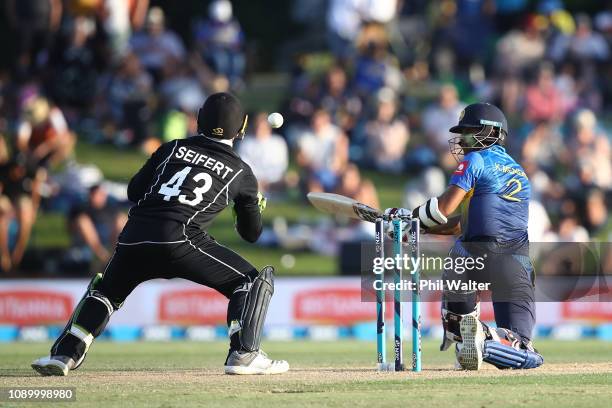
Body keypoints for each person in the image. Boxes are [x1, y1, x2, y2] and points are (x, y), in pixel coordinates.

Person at [32, 93, 289, 376]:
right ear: (241, 128)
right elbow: (251, 234)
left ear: (200, 120)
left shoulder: (171, 148)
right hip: (181, 240)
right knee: (251, 281)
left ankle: (64, 355)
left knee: (106, 292)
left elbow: (134, 192)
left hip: (134, 237)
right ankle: (244, 353)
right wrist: (251, 205)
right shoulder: (242, 172)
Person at [385, 103, 543, 370]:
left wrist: (410, 221)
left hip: (467, 259)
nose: (462, 138)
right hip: (513, 260)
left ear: (492, 132)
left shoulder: (475, 159)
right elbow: (464, 222)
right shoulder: (518, 171)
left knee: (459, 264)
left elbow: (444, 210)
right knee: (524, 350)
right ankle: (484, 338)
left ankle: (467, 331)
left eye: (470, 131)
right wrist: (417, 227)